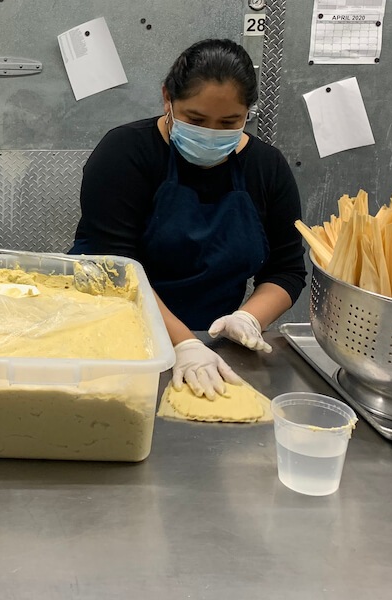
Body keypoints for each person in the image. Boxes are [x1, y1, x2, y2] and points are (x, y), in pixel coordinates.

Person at [70, 39, 306, 399]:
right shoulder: (125, 153)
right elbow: (112, 266)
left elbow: (285, 269)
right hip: (110, 336)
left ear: (248, 113)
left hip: (209, 343)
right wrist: (184, 344)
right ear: (167, 98)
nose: (211, 133)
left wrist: (247, 318)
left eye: (230, 122)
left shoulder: (266, 168)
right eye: (195, 119)